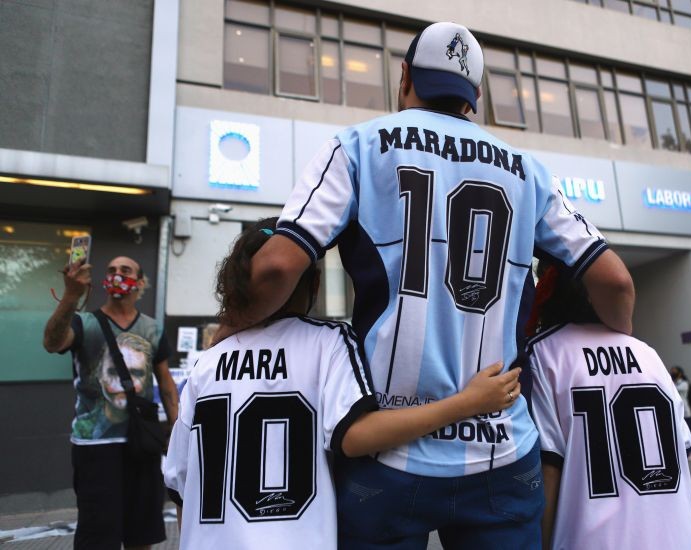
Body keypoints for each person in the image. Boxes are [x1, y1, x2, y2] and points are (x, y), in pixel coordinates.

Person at [215, 21, 634, 548]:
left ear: (405, 76)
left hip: (387, 448)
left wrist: (231, 326)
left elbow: (276, 267)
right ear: (475, 97)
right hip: (500, 447)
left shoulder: (357, 146)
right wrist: (625, 345)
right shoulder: (531, 171)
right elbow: (615, 280)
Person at [163, 218, 522, 549]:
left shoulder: (206, 363)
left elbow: (180, 483)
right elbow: (355, 437)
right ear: (314, 284)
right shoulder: (327, 340)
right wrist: (468, 403)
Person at [525, 260, 691, 550]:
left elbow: (548, 468)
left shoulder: (544, 352)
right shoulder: (647, 353)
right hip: (677, 538)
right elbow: (681, 449)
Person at [43, 255, 178, 549]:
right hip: (95, 448)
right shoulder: (83, 322)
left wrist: (179, 434)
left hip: (142, 444)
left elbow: (166, 383)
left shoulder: (153, 329)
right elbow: (52, 342)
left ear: (140, 283)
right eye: (111, 270)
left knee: (142, 534)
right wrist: (70, 296)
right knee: (97, 537)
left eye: (125, 270)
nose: (117, 274)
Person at [670, 366, 691, 461]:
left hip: (685, 413)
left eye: (674, 372)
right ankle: (685, 454)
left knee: (687, 432)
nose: (672, 373)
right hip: (676, 412)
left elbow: (672, 391)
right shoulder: (672, 383)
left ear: (680, 373)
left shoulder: (684, 384)